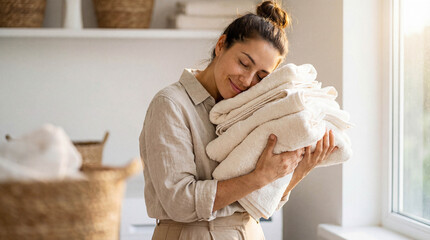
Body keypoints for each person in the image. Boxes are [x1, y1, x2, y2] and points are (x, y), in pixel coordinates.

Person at [139, 1, 337, 239]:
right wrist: (259, 177)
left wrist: (297, 171)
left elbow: (260, 204)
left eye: (261, 77)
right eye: (244, 63)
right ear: (221, 45)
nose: (247, 81)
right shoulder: (171, 104)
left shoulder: (254, 110)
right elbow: (180, 201)